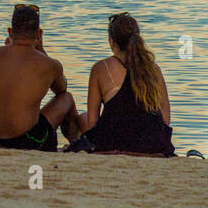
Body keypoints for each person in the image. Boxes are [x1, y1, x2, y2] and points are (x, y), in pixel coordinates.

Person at [0, 3, 81, 151]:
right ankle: (77, 144)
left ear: (10, 32)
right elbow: (61, 89)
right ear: (39, 34)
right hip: (23, 141)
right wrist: (42, 51)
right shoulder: (49, 64)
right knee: (67, 98)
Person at [74, 13, 174, 156]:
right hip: (153, 143)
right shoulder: (154, 69)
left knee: (82, 118)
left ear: (111, 42)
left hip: (114, 142)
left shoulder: (101, 68)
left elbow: (92, 122)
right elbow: (166, 119)